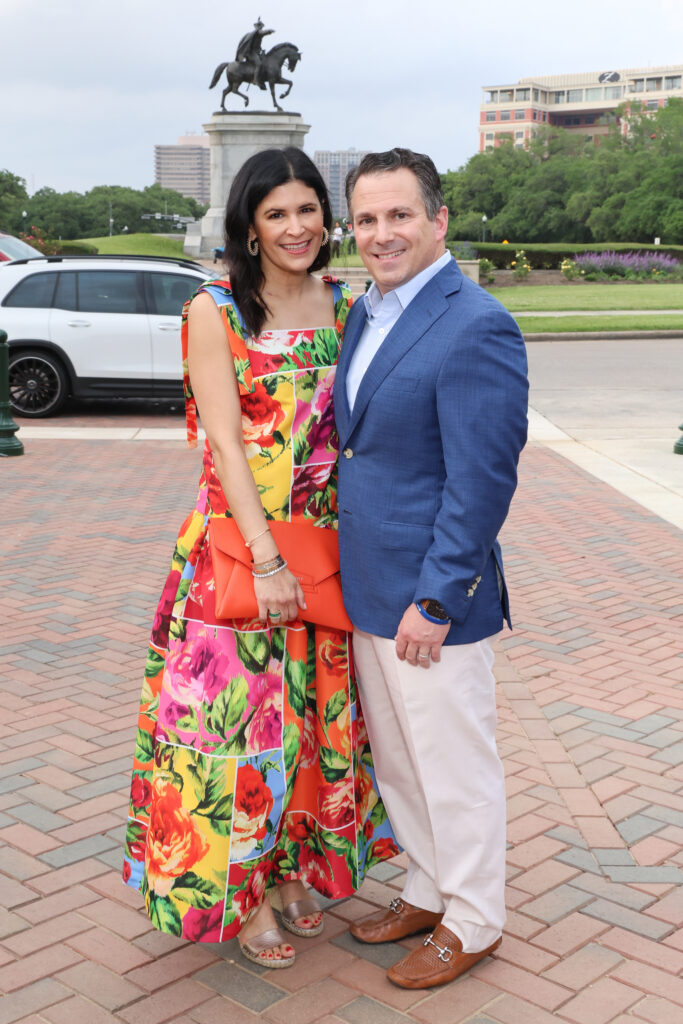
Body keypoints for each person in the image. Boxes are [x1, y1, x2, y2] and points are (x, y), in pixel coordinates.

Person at [123, 147, 398, 970]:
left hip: (325, 553)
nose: (295, 227)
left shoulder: (347, 304)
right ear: (248, 225)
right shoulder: (214, 309)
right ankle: (241, 903)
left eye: (307, 209)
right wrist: (267, 559)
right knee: (236, 738)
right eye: (275, 213)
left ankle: (286, 877)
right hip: (239, 558)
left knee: (309, 732)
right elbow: (226, 447)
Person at [334, 148, 528, 990]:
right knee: (403, 764)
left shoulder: (474, 321)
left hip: (429, 598)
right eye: (367, 220)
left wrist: (439, 598)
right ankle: (425, 887)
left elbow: (480, 480)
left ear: (437, 220)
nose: (382, 234)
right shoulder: (364, 313)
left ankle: (476, 917)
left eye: (399, 215)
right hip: (367, 587)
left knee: (454, 763)